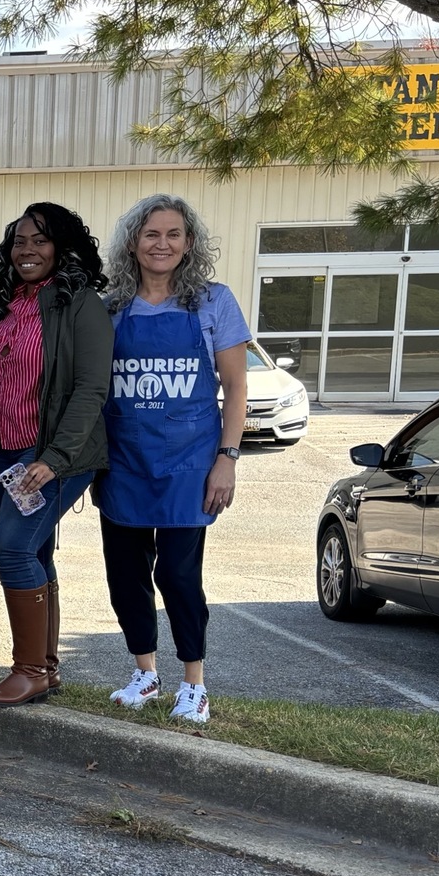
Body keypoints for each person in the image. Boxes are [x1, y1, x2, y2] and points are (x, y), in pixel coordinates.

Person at [96, 194, 250, 725]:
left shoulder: (213, 302)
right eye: (151, 234)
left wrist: (226, 458)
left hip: (190, 464)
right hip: (123, 460)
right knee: (125, 574)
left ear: (189, 243)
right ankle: (145, 672)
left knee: (180, 577)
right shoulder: (110, 306)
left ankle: (194, 682)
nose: (162, 244)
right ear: (133, 243)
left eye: (173, 234)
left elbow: (234, 388)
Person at [0, 202, 113, 706]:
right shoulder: (3, 305)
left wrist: (53, 459)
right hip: (3, 453)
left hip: (52, 454)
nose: (27, 250)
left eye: (40, 240)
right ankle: (45, 671)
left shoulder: (80, 304)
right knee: (34, 552)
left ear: (62, 247)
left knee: (10, 547)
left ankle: (27, 669)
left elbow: (92, 389)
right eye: (20, 241)